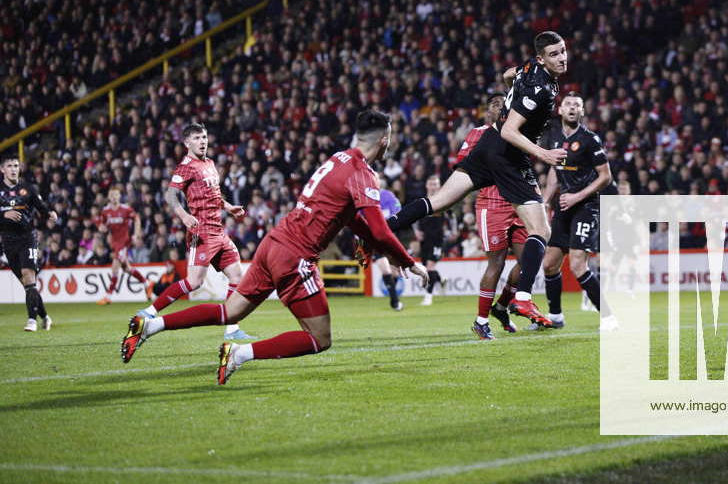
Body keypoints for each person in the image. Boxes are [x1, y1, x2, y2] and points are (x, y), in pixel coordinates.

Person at [121, 110, 428, 384]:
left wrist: (386, 250)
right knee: (319, 338)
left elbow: (351, 219)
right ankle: (239, 353)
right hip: (296, 256)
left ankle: (151, 325)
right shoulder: (362, 173)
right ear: (384, 139)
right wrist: (409, 260)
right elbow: (378, 229)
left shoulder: (338, 158)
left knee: (231, 311)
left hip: (274, 242)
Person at [388, 31, 569, 327]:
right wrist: (544, 154)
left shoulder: (529, 69)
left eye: (562, 51)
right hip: (507, 155)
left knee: (439, 202)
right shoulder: (541, 89)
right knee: (542, 230)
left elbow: (508, 74)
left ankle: (384, 228)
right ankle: (522, 296)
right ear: (541, 58)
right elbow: (511, 131)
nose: (561, 58)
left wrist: (513, 91)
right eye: (554, 54)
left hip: (487, 145)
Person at [135, 122, 254, 341]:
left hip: (219, 231)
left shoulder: (209, 163)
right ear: (187, 142)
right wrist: (184, 216)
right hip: (202, 233)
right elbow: (170, 196)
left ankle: (232, 329)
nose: (203, 142)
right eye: (197, 138)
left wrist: (229, 207)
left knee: (237, 277)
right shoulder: (186, 166)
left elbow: (215, 196)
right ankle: (149, 312)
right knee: (194, 282)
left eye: (205, 137)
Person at [537, 93, 619, 331]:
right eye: (568, 104)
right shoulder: (554, 138)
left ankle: (609, 317)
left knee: (577, 264)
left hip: (586, 206)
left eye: (577, 105)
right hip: (564, 206)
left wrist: (577, 196)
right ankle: (555, 317)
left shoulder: (590, 139)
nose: (572, 108)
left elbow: (606, 176)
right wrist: (544, 201)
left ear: (582, 112)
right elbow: (555, 171)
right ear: (561, 110)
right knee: (550, 264)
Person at [456, 94, 525, 339]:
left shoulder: (517, 131)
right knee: (496, 263)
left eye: (502, 103)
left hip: (518, 202)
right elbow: (462, 165)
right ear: (487, 111)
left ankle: (502, 306)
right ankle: (481, 321)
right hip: (491, 204)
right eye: (495, 103)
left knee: (529, 262)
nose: (500, 106)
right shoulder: (477, 133)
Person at [0, 155, 57, 331]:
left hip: (28, 238)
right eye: (9, 165)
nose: (13, 169)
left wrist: (50, 213)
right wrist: (4, 215)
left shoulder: (28, 188)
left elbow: (40, 206)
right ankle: (45, 317)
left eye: (16, 165)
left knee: (28, 275)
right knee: (27, 284)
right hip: (8, 242)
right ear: (2, 169)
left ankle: (31, 320)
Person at [96, 187, 147, 305]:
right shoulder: (105, 211)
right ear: (109, 197)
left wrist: (136, 234)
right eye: (112, 195)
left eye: (116, 195)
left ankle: (108, 296)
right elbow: (102, 225)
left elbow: (137, 219)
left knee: (115, 266)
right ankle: (147, 284)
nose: (114, 197)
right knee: (126, 268)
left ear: (119, 196)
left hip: (124, 241)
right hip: (114, 243)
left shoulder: (126, 209)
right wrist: (101, 228)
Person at [416, 176, 451, 306]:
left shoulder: (444, 200)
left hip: (438, 240)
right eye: (431, 184)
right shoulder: (422, 201)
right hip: (425, 240)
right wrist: (417, 232)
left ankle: (428, 296)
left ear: (439, 186)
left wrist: (451, 232)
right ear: (427, 185)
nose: (433, 186)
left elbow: (451, 217)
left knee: (430, 266)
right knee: (427, 267)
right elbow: (415, 218)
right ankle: (441, 280)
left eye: (435, 184)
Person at [375, 176, 405, 311]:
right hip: (375, 240)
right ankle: (395, 301)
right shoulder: (365, 198)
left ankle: (393, 297)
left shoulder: (388, 196)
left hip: (391, 238)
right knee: (385, 268)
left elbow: (398, 213)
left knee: (394, 273)